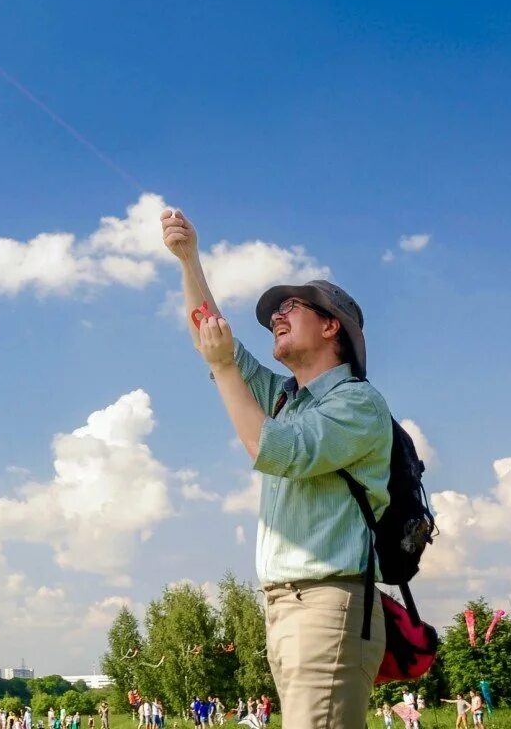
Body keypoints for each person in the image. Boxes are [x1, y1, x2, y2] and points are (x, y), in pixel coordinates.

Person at [165, 212, 392, 729]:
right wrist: (188, 258)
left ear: (331, 325)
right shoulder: (287, 398)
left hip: (328, 603)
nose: (275, 318)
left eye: (291, 306)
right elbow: (209, 333)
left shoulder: (357, 404)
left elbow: (270, 450)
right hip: (287, 607)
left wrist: (225, 368)